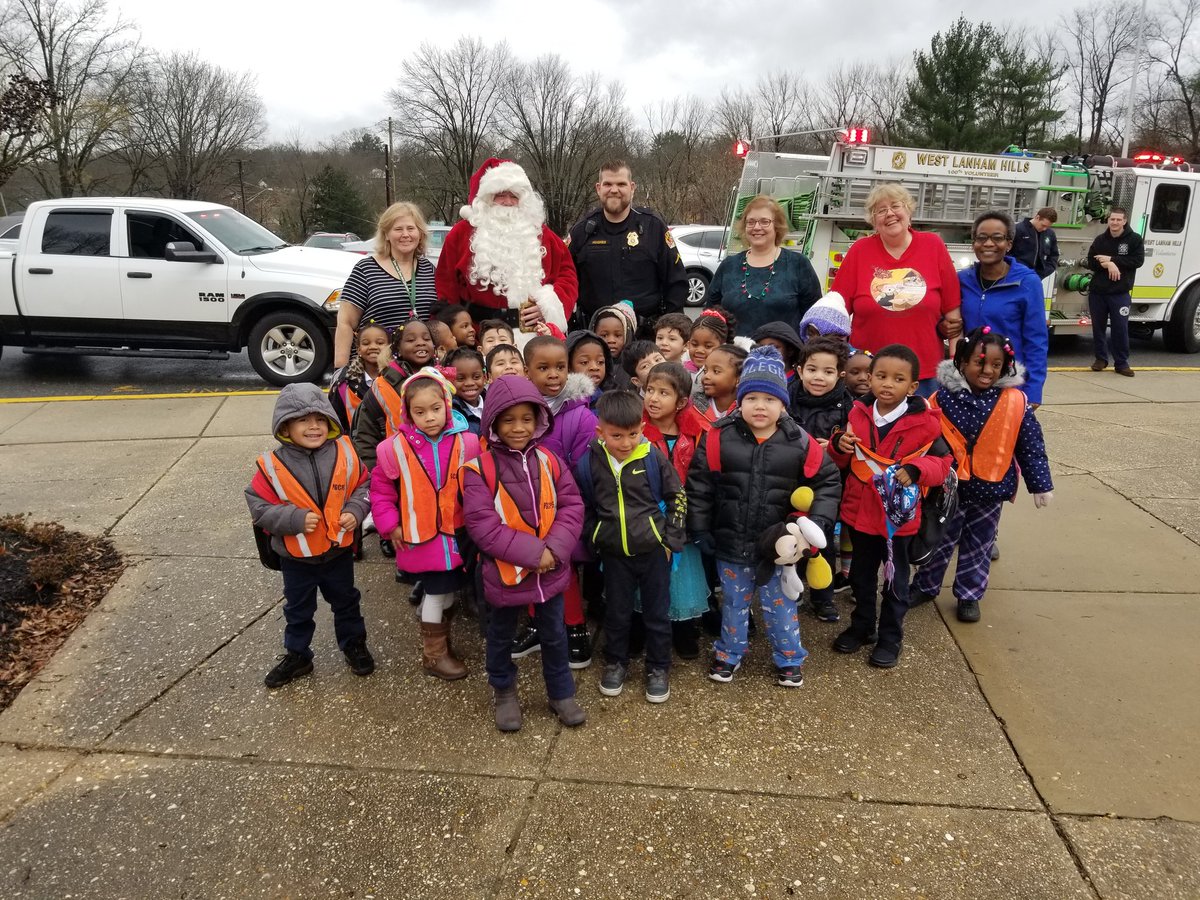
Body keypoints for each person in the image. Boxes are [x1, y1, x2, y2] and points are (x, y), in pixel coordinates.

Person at [688, 346, 842, 687]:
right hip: (731, 542)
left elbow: (828, 481)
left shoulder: (799, 442)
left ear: (783, 404)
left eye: (770, 399)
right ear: (739, 401)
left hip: (779, 548)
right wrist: (699, 526)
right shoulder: (717, 438)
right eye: (752, 397)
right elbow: (700, 486)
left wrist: (816, 524)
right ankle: (729, 653)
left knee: (782, 606)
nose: (760, 406)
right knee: (733, 604)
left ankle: (789, 658)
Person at [459, 375, 587, 732]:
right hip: (505, 575)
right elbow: (484, 527)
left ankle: (561, 692)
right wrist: (536, 554)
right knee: (500, 636)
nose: (519, 427)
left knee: (555, 634)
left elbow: (571, 505)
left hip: (551, 572)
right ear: (494, 422)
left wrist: (555, 550)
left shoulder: (549, 459)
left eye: (527, 419)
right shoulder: (478, 470)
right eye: (509, 419)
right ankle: (503, 691)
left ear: (539, 420)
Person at [911, 328, 1054, 622]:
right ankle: (926, 585)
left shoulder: (1015, 401)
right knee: (937, 540)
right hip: (948, 489)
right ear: (962, 362)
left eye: (996, 365)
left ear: (1005, 367)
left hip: (991, 489)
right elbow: (924, 441)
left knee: (979, 546)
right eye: (979, 362)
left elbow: (1030, 445)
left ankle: (969, 594)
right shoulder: (941, 399)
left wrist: (1040, 484)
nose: (987, 370)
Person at [828, 345, 954, 668]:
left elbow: (943, 465)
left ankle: (890, 637)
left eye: (898, 379)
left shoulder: (925, 423)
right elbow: (843, 459)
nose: (887, 384)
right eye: (881, 376)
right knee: (860, 576)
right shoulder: (857, 412)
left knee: (895, 583)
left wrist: (917, 470)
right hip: (860, 512)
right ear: (869, 378)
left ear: (912, 387)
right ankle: (862, 627)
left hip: (897, 519)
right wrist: (838, 444)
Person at [246, 384, 374, 688]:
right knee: (298, 608)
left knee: (346, 601)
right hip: (297, 558)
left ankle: (354, 643)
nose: (313, 426)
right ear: (285, 427)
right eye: (302, 420)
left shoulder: (347, 453)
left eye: (319, 418)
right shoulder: (271, 466)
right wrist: (293, 519)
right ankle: (298, 654)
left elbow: (365, 487)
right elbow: (258, 507)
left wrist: (356, 511)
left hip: (337, 552)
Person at [369, 367, 481, 679]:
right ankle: (434, 655)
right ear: (408, 413)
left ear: (447, 405)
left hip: (457, 535)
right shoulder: (393, 448)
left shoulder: (469, 442)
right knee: (435, 593)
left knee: (446, 591)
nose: (429, 417)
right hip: (421, 538)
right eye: (420, 412)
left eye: (435, 409)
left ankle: (441, 641)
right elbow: (380, 491)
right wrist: (390, 525)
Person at [577, 391, 685, 703]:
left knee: (656, 613)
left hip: (653, 552)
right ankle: (615, 662)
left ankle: (658, 667)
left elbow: (677, 495)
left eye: (633, 434)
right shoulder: (589, 463)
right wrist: (595, 536)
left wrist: (670, 541)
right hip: (613, 555)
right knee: (617, 612)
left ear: (642, 427)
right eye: (617, 436)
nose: (626, 443)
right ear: (601, 432)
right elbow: (583, 505)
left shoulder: (652, 456)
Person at [830, 184, 963, 393]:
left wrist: (955, 366)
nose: (889, 214)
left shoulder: (933, 246)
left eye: (895, 206)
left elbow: (953, 317)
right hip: (869, 376)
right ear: (873, 221)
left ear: (908, 210)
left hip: (924, 376)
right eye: (880, 210)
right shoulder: (859, 251)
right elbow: (835, 314)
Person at [518, 335, 598, 666]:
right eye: (543, 368)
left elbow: (585, 469)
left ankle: (575, 632)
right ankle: (539, 624)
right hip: (524, 505)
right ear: (526, 371)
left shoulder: (580, 416)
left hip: (563, 506)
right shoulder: (520, 411)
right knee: (530, 566)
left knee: (562, 570)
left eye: (560, 367)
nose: (553, 374)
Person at [435, 157, 577, 333]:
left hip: (536, 338)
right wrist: (457, 333)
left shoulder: (543, 235)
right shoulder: (461, 234)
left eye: (514, 196)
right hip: (481, 337)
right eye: (500, 195)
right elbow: (445, 286)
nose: (508, 202)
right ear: (487, 198)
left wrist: (549, 306)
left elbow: (567, 276)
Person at [642, 360, 712, 658]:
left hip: (683, 516)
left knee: (682, 578)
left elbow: (703, 477)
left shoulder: (698, 433)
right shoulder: (636, 430)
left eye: (663, 393)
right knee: (646, 576)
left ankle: (683, 629)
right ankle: (641, 627)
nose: (653, 398)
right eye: (649, 390)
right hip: (646, 515)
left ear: (682, 401)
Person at [567, 160, 688, 327]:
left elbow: (676, 282)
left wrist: (668, 328)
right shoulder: (581, 232)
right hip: (593, 338)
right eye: (607, 184)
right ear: (598, 188)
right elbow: (565, 283)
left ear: (632, 188)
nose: (614, 190)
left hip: (644, 337)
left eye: (621, 184)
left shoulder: (653, 227)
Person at [789, 336, 852, 623]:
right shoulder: (786, 398)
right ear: (799, 370)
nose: (819, 377)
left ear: (839, 374)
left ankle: (823, 596)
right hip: (789, 481)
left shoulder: (847, 406)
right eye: (812, 369)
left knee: (822, 540)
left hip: (827, 483)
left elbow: (852, 448)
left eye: (828, 372)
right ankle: (793, 589)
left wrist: (836, 447)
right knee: (790, 538)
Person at [958, 211, 1050, 407]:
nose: (988, 244)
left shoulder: (1027, 282)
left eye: (997, 238)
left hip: (1009, 382)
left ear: (1009, 244)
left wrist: (1033, 390)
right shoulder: (963, 280)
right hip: (968, 382)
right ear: (974, 243)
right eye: (981, 238)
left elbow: (1037, 340)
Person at [335, 201, 438, 368]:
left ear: (420, 233)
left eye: (411, 228)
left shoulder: (428, 269)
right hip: (377, 367)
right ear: (386, 235)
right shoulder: (366, 269)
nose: (405, 234)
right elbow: (345, 322)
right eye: (398, 229)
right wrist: (340, 369)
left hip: (419, 368)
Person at [707, 195, 822, 338]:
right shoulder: (729, 265)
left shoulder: (797, 264)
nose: (756, 227)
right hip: (735, 355)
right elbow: (710, 314)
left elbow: (813, 317)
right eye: (751, 222)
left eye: (764, 222)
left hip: (784, 356)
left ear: (777, 226)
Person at [1086, 207, 1145, 377]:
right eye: (1112, 219)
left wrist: (1112, 260)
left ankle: (1121, 363)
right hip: (1098, 293)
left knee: (1120, 328)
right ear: (1109, 220)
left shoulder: (1134, 240)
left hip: (1120, 294)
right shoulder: (1100, 240)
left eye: (1119, 220)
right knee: (1098, 328)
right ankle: (1101, 359)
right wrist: (1106, 265)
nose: (1115, 223)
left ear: (1124, 221)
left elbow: (1137, 261)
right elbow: (1091, 261)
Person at [328, 320, 390, 434]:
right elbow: (335, 418)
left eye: (380, 343)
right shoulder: (344, 382)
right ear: (358, 349)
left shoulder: (397, 378)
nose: (373, 347)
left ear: (389, 347)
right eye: (366, 343)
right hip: (356, 444)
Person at [695, 343, 747, 423]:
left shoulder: (746, 413)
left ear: (738, 379)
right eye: (705, 371)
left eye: (716, 371)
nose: (706, 376)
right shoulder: (695, 407)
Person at [445, 347, 487, 435]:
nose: (469, 383)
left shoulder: (494, 402)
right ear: (448, 381)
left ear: (485, 377)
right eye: (460, 378)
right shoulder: (450, 412)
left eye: (476, 377)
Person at [1012, 207, 1060, 281]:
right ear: (1037, 217)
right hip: (1015, 276)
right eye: (1043, 225)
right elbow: (1006, 253)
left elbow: (1054, 255)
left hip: (1036, 278)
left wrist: (1043, 273)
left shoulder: (1050, 234)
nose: (1044, 229)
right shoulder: (1017, 230)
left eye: (1047, 227)